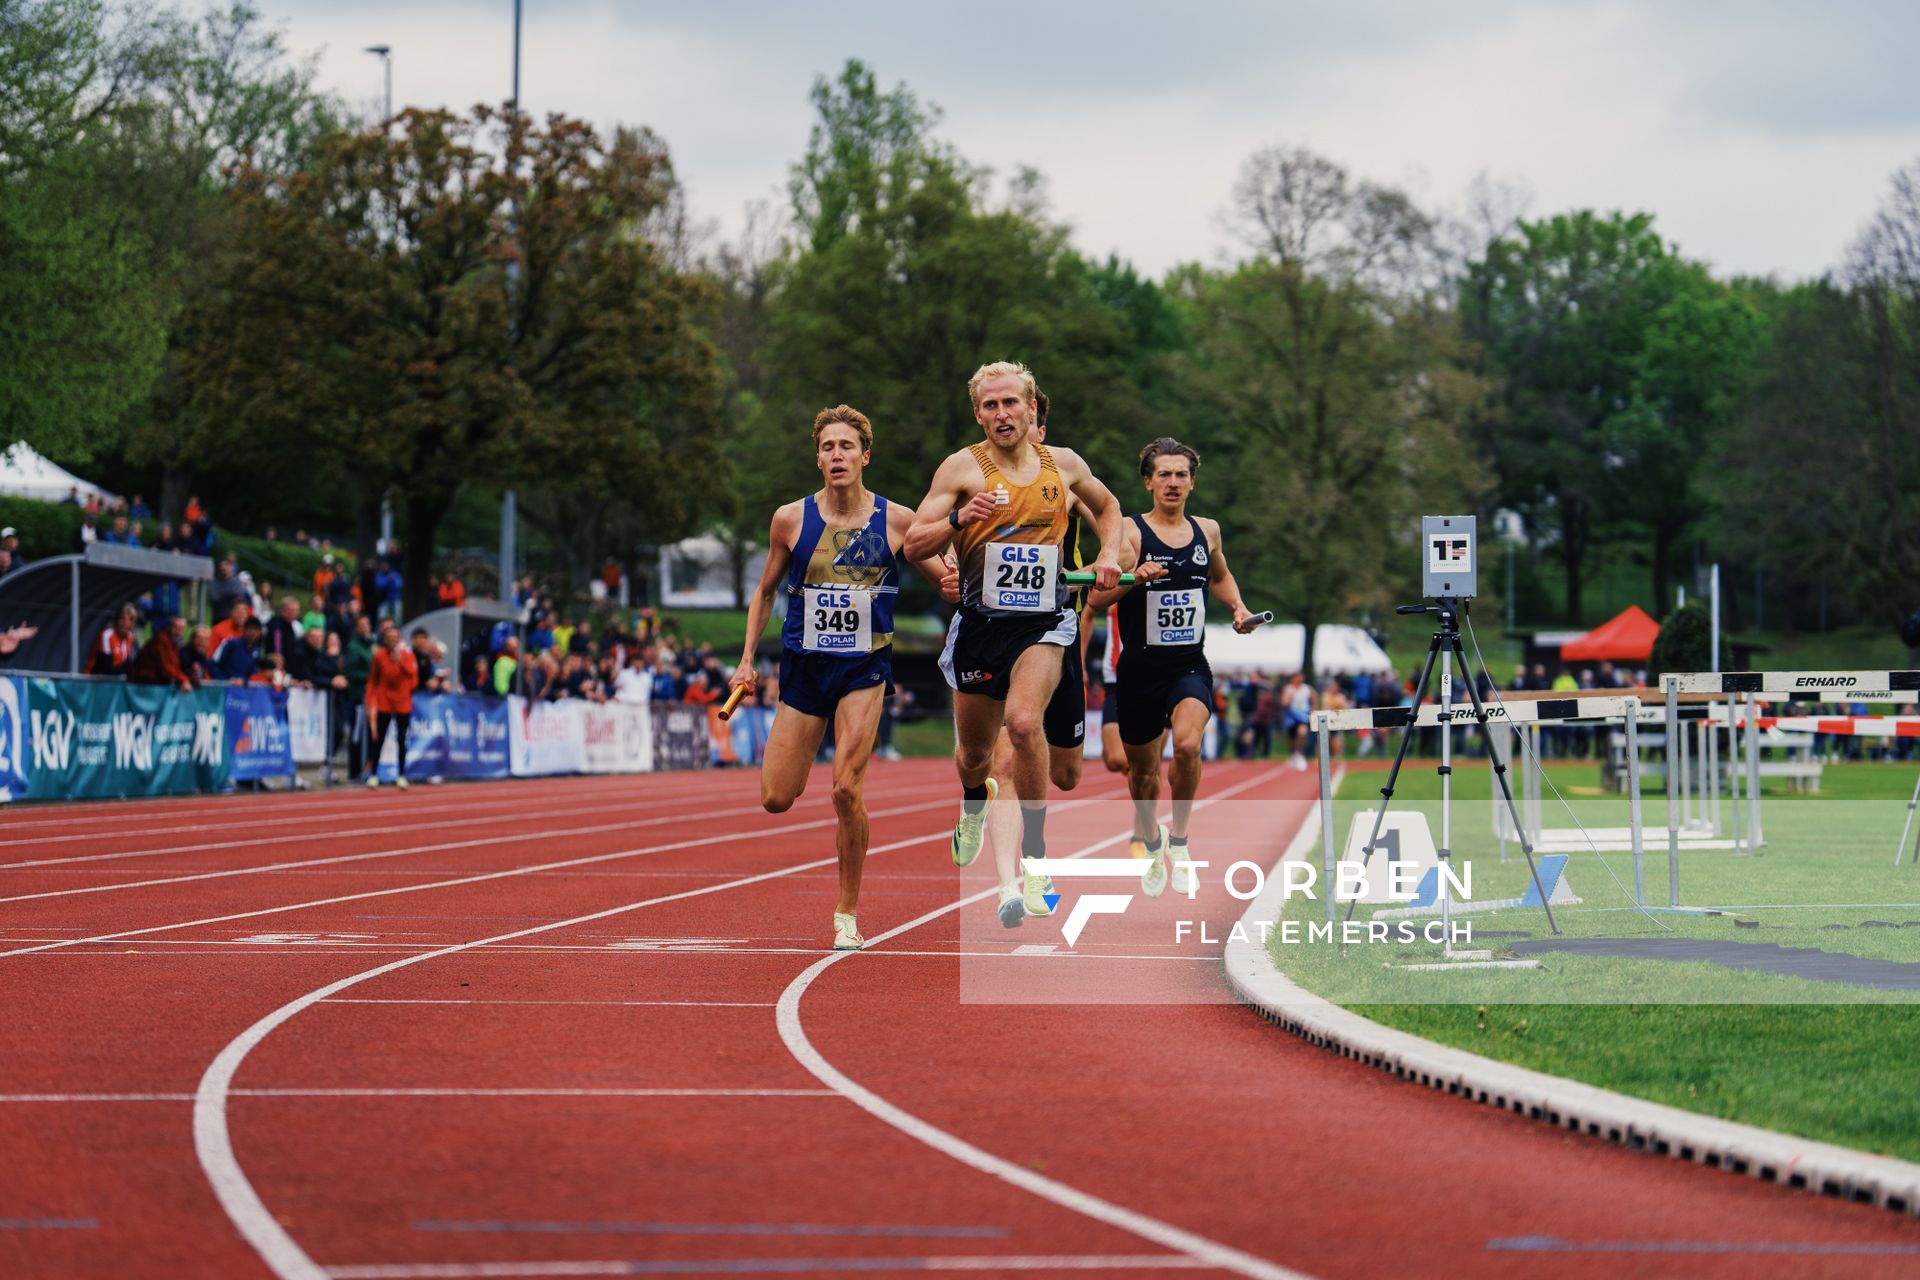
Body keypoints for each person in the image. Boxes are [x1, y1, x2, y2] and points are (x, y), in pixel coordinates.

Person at [904, 361, 1122, 927]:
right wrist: (959, 518)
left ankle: (1037, 855)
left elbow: (1108, 508)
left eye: (1011, 404)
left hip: (1045, 623)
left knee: (1024, 724)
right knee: (975, 756)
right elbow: (913, 544)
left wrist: (1106, 556)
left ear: (1031, 408)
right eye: (990, 406)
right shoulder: (961, 468)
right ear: (978, 414)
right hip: (980, 627)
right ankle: (973, 800)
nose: (1002, 415)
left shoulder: (1064, 464)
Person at [732, 404, 946, 952]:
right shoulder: (791, 519)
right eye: (827, 447)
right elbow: (764, 593)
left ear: (864, 456)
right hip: (804, 667)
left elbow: (944, 576)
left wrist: (964, 572)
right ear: (818, 458)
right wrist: (746, 658)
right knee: (776, 798)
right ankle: (844, 901)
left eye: (846, 446)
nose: (836, 455)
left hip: (865, 667)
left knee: (846, 789)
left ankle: (846, 912)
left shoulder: (897, 521)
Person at [1090, 437, 1258, 895]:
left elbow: (1219, 576)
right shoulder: (1128, 533)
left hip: (1189, 666)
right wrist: (1132, 577)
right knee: (1142, 774)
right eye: (1163, 474)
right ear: (1148, 482)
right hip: (1138, 673)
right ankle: (1151, 838)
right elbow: (1096, 597)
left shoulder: (1208, 530)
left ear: (1192, 482)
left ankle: (1180, 841)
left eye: (1181, 474)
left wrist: (1238, 608)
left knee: (1186, 746)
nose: (1173, 482)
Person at [365, 619, 417, 788]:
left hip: (403, 703)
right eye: (389, 637)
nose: (392, 640)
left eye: (395, 637)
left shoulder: (408, 655)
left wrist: (400, 661)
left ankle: (401, 774)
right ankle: (373, 774)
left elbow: (413, 679)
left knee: (401, 740)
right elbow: (373, 680)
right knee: (378, 739)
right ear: (384, 639)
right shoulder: (379, 655)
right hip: (384, 702)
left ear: (400, 639)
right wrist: (369, 700)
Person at [126, 616, 195, 691]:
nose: (179, 631)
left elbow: (174, 666)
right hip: (145, 684)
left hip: (154, 683)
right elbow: (167, 667)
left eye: (182, 628)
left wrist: (189, 680)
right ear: (170, 627)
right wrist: (183, 679)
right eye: (176, 627)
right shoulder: (161, 640)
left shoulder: (174, 643)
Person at [84, 605, 139, 677]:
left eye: (131, 620)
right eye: (122, 618)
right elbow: (106, 669)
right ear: (116, 620)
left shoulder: (130, 637)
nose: (126, 623)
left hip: (114, 680)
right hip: (94, 679)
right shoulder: (107, 635)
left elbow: (128, 664)